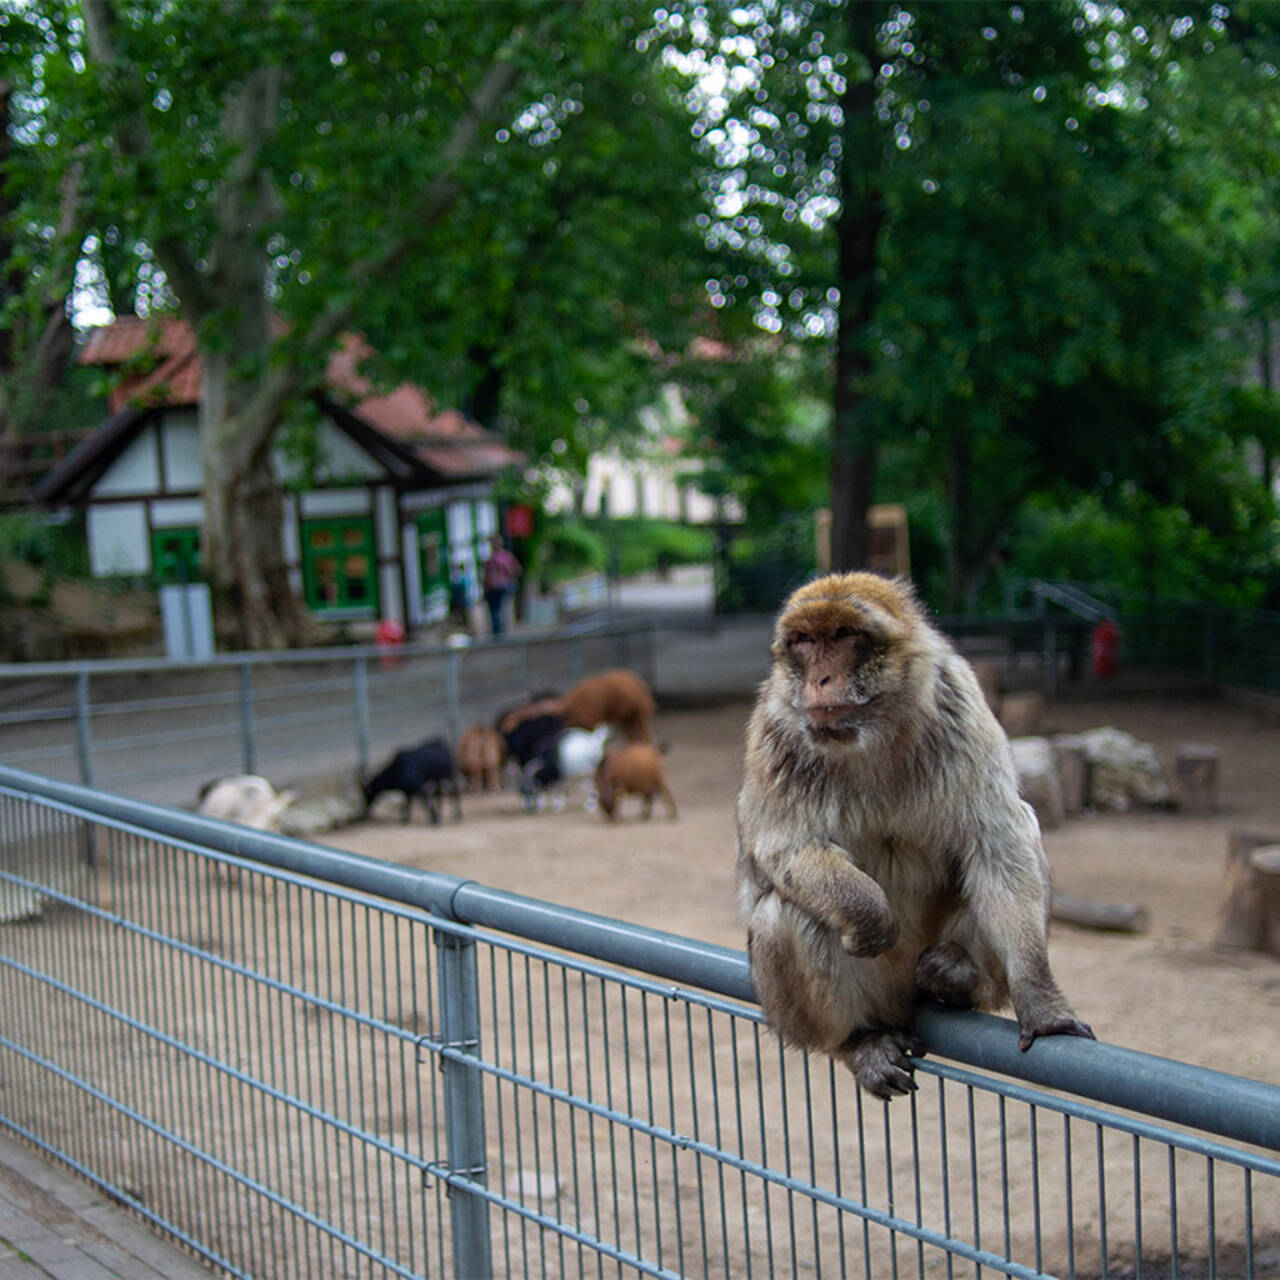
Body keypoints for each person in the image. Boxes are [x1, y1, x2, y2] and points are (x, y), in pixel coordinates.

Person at [481, 534, 522, 636]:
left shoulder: (496, 558)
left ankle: (500, 632)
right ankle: (500, 632)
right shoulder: (502, 557)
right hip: (497, 587)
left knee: (500, 610)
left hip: (498, 587)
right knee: (499, 610)